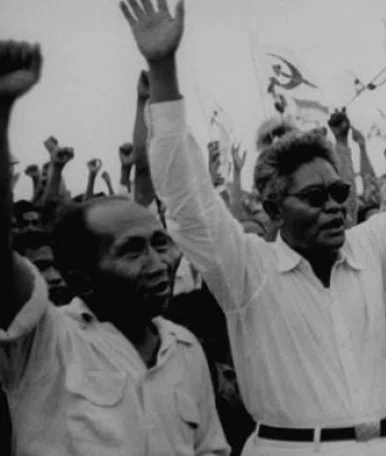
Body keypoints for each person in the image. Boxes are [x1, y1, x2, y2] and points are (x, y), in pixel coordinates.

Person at [122, 0, 386, 455]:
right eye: (314, 197)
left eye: (338, 192)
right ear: (274, 209)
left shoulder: (371, 249)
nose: (334, 205)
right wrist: (164, 74)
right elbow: (186, 201)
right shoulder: (246, 269)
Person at [0, 39, 228, 455]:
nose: (160, 263)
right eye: (132, 251)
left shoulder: (186, 347)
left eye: (161, 243)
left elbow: (208, 447)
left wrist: (153, 92)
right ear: (82, 281)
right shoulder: (46, 342)